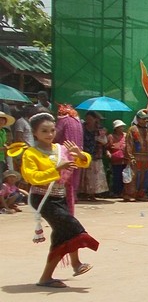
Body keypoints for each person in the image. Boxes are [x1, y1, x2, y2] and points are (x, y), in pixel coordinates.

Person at [20, 112, 99, 288]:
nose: (49, 134)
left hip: (61, 196)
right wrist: (57, 169)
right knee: (70, 225)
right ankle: (76, 263)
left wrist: (79, 154)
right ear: (35, 133)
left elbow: (82, 162)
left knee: (62, 234)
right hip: (42, 197)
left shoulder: (60, 149)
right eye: (44, 131)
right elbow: (32, 177)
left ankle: (47, 277)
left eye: (52, 130)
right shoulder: (31, 153)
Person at [124, 109, 148, 202]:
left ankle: (141, 194)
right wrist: (130, 157)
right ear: (138, 119)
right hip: (136, 157)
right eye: (143, 119)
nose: (145, 121)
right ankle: (129, 194)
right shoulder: (132, 129)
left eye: (146, 119)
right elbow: (129, 144)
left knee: (145, 177)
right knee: (133, 177)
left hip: (147, 157)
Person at [79, 111, 109, 200]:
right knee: (84, 175)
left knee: (93, 176)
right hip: (84, 154)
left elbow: (105, 141)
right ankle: (83, 193)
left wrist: (99, 138)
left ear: (95, 119)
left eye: (90, 119)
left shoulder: (100, 129)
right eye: (87, 118)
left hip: (96, 154)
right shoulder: (82, 127)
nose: (88, 120)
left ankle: (92, 194)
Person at [106, 120, 127, 198]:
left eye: (122, 127)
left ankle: (124, 192)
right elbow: (107, 148)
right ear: (116, 128)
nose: (122, 128)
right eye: (120, 127)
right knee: (117, 176)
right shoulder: (111, 137)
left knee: (125, 176)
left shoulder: (126, 136)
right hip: (115, 160)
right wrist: (108, 154)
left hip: (125, 160)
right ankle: (116, 192)